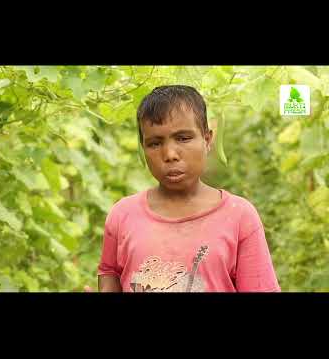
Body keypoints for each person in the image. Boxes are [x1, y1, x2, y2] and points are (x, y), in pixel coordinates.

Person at [93, 85, 280, 293]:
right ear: (143, 147)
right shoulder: (122, 215)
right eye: (155, 143)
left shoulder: (239, 216)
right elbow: (109, 272)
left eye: (183, 138)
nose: (170, 154)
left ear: (207, 140)